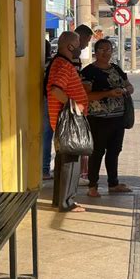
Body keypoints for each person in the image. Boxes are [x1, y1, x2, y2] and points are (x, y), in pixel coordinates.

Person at [81, 39, 135, 197]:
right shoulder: (89, 71)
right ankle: (92, 186)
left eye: (109, 49)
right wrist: (107, 93)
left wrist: (124, 90)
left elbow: (130, 86)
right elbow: (86, 95)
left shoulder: (117, 69)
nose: (106, 53)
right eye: (102, 50)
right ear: (95, 52)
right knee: (97, 152)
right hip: (98, 119)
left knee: (114, 151)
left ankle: (113, 183)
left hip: (118, 118)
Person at [47, 31, 89, 212]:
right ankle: (67, 202)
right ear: (70, 46)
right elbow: (56, 89)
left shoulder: (59, 62)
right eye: (78, 43)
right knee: (71, 162)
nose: (80, 47)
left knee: (63, 161)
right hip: (68, 120)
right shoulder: (63, 65)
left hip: (62, 119)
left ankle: (60, 200)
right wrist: (75, 105)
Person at [73, 25, 94, 186]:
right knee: (78, 142)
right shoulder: (69, 58)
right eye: (87, 39)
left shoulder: (75, 57)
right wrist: (73, 105)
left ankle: (82, 173)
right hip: (74, 109)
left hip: (78, 107)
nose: (88, 44)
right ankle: (80, 173)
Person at [42, 39, 54, 180]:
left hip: (40, 100)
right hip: (49, 101)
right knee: (47, 134)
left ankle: (44, 168)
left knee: (45, 135)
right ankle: (44, 169)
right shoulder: (53, 64)